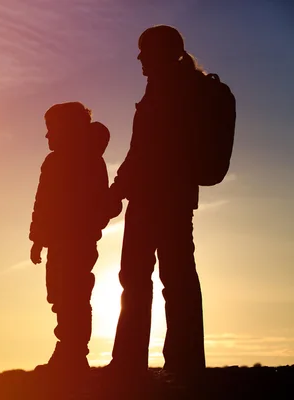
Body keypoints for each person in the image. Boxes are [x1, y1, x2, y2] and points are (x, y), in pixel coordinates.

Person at [106, 25, 231, 380]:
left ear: (162, 51)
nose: (139, 57)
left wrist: (119, 189)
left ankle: (174, 365)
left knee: (170, 279)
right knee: (155, 278)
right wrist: (120, 189)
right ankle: (148, 364)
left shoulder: (175, 90)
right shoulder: (162, 89)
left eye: (144, 50)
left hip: (165, 198)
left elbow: (147, 150)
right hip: (155, 198)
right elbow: (139, 150)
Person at [29, 102, 121, 379]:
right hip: (58, 242)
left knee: (74, 295)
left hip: (78, 242)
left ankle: (73, 354)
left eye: (51, 129)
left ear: (67, 129)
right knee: (59, 294)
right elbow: (42, 203)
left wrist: (88, 226)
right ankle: (68, 349)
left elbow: (98, 202)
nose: (47, 136)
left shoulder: (89, 159)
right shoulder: (54, 161)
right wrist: (38, 239)